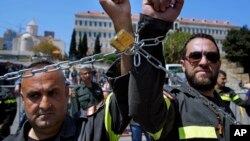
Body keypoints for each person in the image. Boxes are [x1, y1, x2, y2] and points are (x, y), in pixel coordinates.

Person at [104, 0, 241, 140]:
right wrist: (153, 26)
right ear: (183, 64)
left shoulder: (227, 108)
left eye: (211, 57)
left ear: (219, 63)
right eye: (195, 56)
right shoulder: (172, 102)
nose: (204, 62)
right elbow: (143, 110)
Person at [3, 60, 77, 141]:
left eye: (52, 93)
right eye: (34, 95)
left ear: (66, 93)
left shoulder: (87, 132)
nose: (44, 105)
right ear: (23, 99)